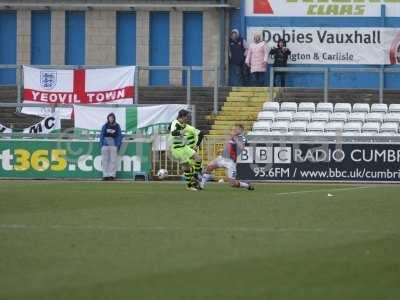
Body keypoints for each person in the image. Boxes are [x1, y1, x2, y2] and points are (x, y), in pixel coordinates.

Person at [200, 124, 254, 191]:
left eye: (235, 129)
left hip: (230, 161)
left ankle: (247, 185)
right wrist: (222, 150)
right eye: (233, 129)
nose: (233, 130)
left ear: (241, 130)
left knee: (233, 184)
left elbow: (241, 147)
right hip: (222, 158)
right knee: (209, 167)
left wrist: (235, 138)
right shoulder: (233, 137)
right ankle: (201, 185)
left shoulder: (242, 138)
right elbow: (230, 147)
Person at [169, 109, 203, 191]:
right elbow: (173, 132)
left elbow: (200, 133)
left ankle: (195, 175)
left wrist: (197, 145)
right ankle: (189, 185)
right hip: (176, 148)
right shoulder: (175, 123)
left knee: (198, 159)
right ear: (183, 116)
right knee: (186, 165)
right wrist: (181, 133)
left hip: (184, 146)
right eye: (187, 116)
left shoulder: (184, 125)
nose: (188, 118)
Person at [100, 113, 122, 181]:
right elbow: (102, 135)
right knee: (105, 160)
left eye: (112, 118)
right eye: (109, 118)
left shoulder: (117, 126)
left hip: (113, 145)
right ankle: (105, 175)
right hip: (105, 145)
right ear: (108, 118)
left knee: (113, 160)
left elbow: (119, 136)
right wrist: (102, 144)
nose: (111, 119)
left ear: (114, 118)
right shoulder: (105, 126)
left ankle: (112, 175)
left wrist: (117, 145)